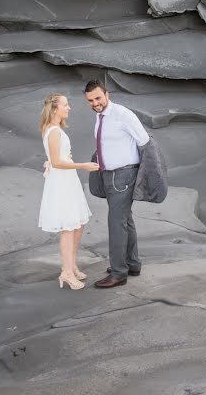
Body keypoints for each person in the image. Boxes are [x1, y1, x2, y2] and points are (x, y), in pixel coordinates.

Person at [84, 79, 151, 288]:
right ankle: (132, 264)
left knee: (116, 223)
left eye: (98, 98)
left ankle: (118, 273)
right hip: (110, 176)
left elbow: (144, 141)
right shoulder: (100, 116)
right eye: (90, 100)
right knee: (125, 220)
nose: (95, 103)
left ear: (107, 94)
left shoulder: (122, 115)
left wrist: (140, 173)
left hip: (123, 177)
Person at [38, 93, 98, 290]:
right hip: (62, 181)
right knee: (68, 227)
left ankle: (71, 265)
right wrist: (83, 166)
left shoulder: (54, 129)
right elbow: (56, 162)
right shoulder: (53, 131)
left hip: (67, 179)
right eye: (65, 104)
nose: (69, 107)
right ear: (55, 109)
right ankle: (66, 272)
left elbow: (59, 158)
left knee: (78, 224)